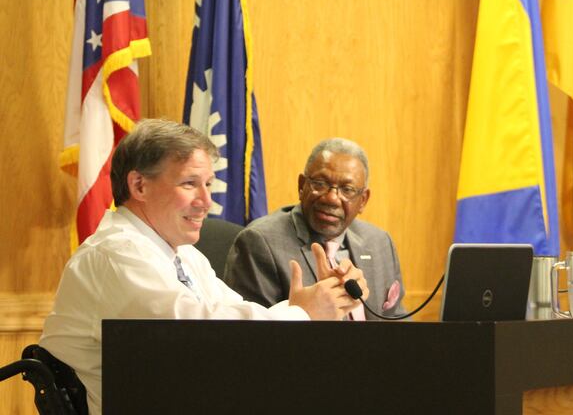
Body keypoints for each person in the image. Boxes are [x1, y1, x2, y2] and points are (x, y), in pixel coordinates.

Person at [39, 120, 367, 415]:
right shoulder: (115, 253)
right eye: (189, 183)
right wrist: (302, 313)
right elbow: (198, 337)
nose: (206, 201)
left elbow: (230, 319)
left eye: (208, 184)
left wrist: (317, 303)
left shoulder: (182, 254)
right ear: (139, 186)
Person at [225, 138, 407, 320]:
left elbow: (398, 322)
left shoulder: (379, 242)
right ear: (302, 186)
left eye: (347, 189)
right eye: (320, 184)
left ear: (363, 200)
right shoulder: (260, 243)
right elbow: (251, 337)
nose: (332, 198)